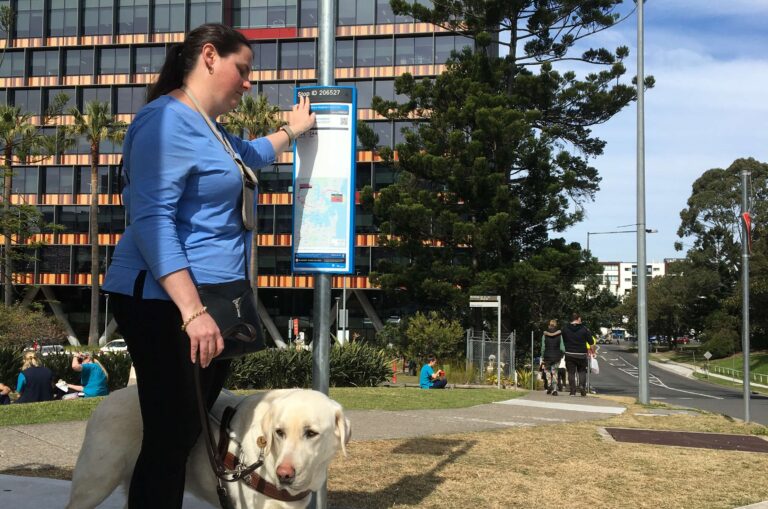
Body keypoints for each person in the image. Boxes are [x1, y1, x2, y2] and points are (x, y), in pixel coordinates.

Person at [100, 23, 315, 509]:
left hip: (213, 300)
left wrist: (291, 131)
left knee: (183, 433)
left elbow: (252, 156)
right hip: (166, 304)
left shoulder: (210, 129)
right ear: (210, 57)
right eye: (243, 70)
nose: (247, 83)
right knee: (170, 436)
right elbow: (153, 222)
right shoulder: (165, 123)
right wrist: (193, 313)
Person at [562, 313, 593, 397]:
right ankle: (582, 387)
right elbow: (591, 343)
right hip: (581, 354)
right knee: (582, 371)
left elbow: (562, 340)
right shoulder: (584, 329)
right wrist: (592, 352)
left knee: (571, 372)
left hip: (569, 353)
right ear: (578, 319)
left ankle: (572, 391)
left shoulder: (565, 329)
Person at [539, 319, 565, 396]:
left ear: (549, 325)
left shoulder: (544, 335)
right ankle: (554, 389)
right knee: (555, 372)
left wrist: (543, 355)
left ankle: (549, 384)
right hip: (556, 356)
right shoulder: (559, 335)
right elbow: (562, 347)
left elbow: (543, 347)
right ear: (556, 325)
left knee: (547, 372)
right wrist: (561, 354)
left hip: (547, 356)